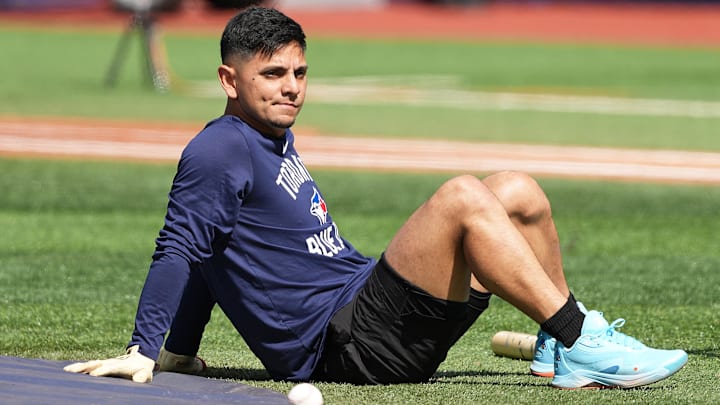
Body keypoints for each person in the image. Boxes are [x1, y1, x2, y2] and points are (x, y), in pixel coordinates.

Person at [64, 7, 688, 389]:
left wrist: (182, 351)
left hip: (362, 306)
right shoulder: (220, 149)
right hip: (345, 344)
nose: (291, 90)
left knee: (518, 193)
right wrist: (144, 350)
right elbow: (181, 246)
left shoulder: (266, 136)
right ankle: (580, 336)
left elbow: (214, 249)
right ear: (229, 79)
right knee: (463, 197)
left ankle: (559, 350)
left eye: (299, 73)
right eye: (272, 75)